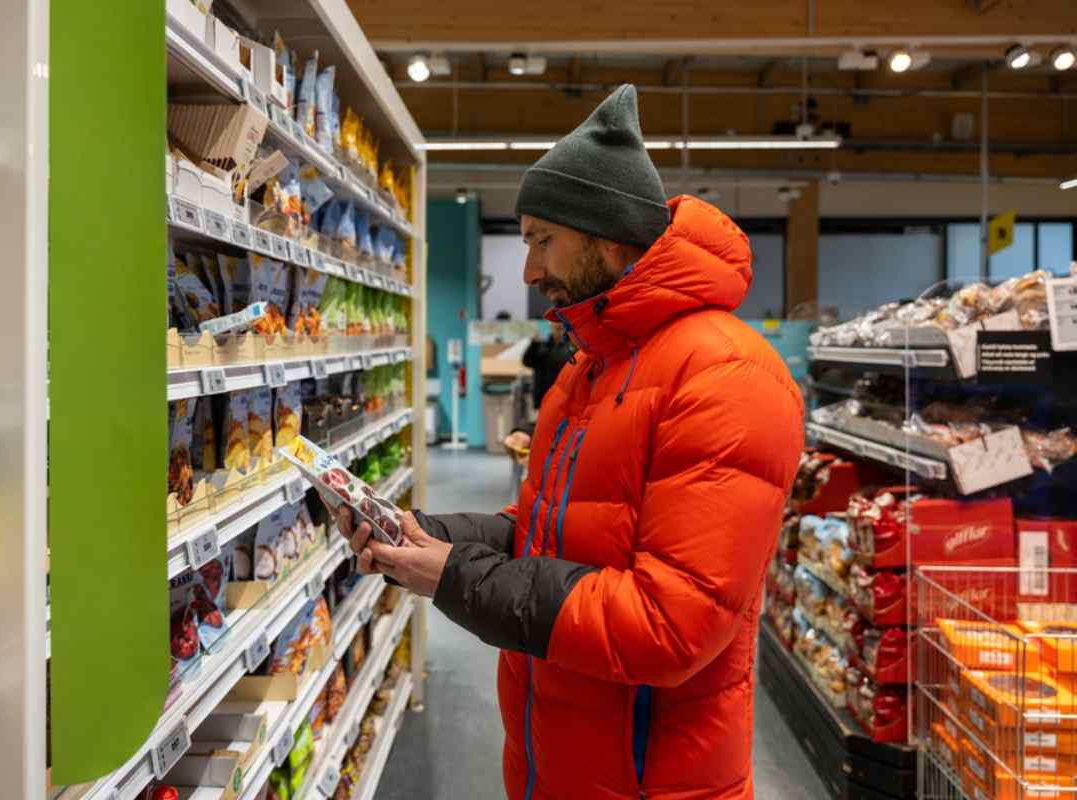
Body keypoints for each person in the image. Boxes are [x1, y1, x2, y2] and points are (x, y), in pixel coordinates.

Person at [335, 84, 803, 800]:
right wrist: (426, 535)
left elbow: (670, 623)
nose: (528, 272)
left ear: (607, 237)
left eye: (542, 241)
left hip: (651, 778)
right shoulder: (593, 368)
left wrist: (456, 577)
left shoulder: (725, 374)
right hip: (562, 756)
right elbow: (552, 533)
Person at [521, 320, 572, 412]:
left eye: (560, 322)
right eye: (555, 321)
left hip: (565, 398)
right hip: (543, 395)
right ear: (551, 325)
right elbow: (527, 362)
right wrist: (534, 344)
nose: (558, 324)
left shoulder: (572, 345)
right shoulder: (540, 344)